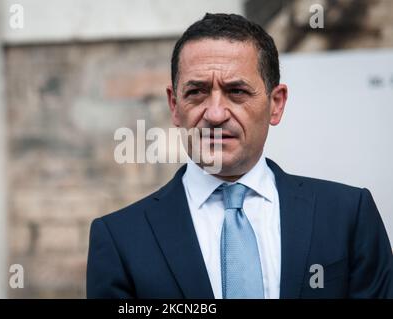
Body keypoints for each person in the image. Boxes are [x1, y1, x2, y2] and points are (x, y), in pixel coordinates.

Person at [86, 13, 393, 299]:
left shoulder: (347, 216)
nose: (216, 114)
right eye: (196, 92)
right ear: (174, 105)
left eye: (237, 92)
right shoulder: (121, 240)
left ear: (276, 104)